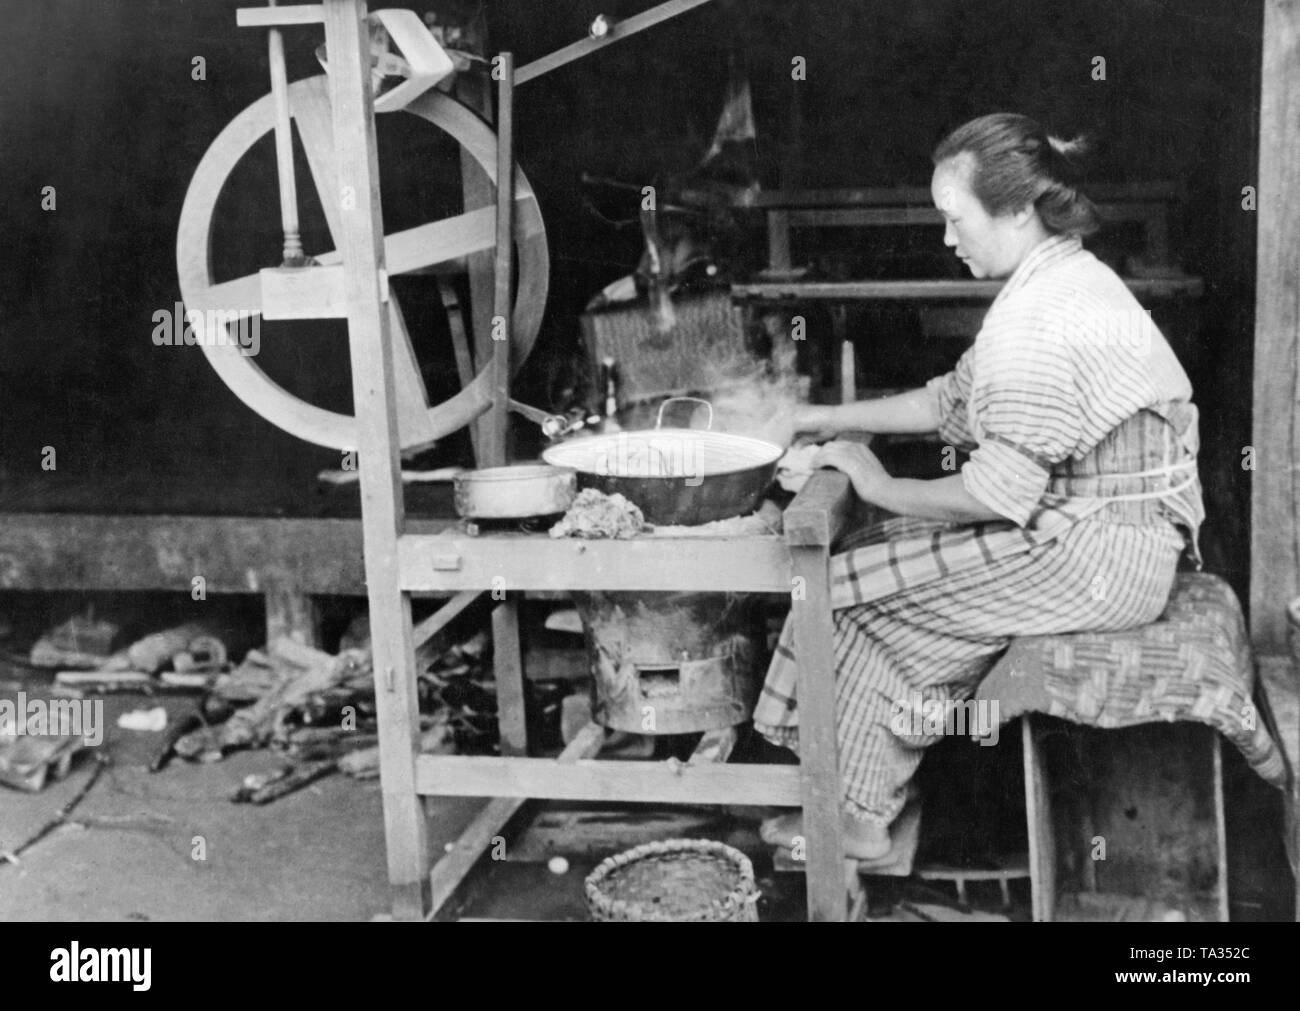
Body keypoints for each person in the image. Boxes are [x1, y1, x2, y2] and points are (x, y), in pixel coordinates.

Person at [757, 113, 1204, 860]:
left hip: (1104, 553)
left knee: (847, 592)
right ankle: (865, 795)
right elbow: (947, 401)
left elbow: (996, 495)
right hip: (1104, 531)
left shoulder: (1040, 315)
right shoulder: (1058, 275)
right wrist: (815, 415)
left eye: (954, 218)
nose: (946, 237)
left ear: (1018, 209)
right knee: (876, 561)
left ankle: (858, 814)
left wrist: (876, 479)